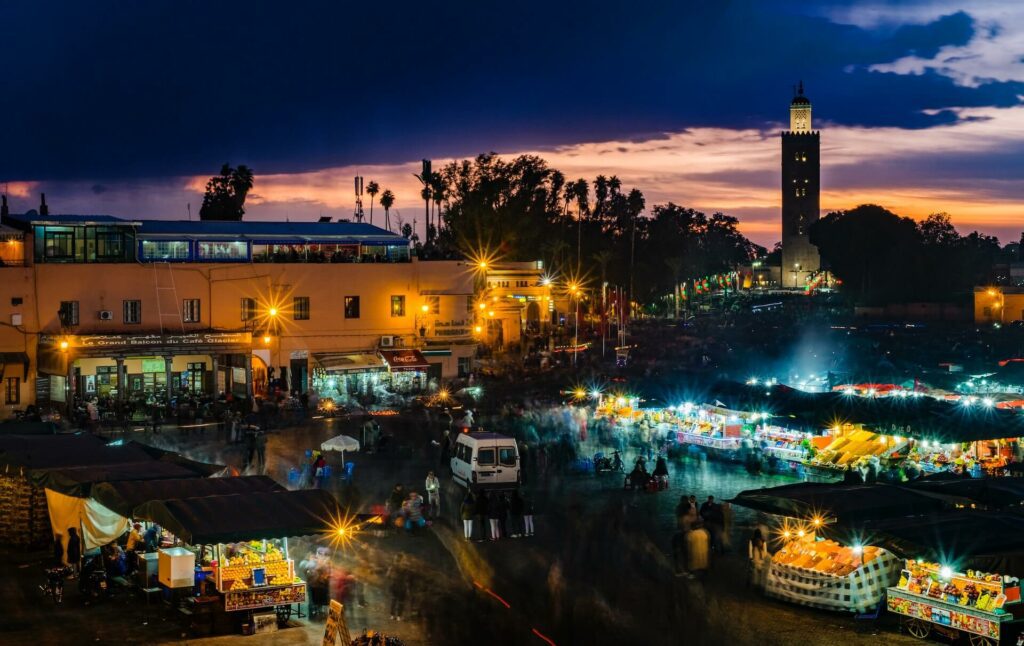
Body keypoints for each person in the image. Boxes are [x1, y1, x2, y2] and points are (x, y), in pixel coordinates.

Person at [388, 554, 409, 621]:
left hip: (394, 585)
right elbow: (407, 578)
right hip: (402, 586)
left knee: (393, 600)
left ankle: (392, 615)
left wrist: (392, 577)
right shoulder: (405, 567)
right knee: (401, 602)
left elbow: (388, 576)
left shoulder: (392, 567)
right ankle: (399, 616)